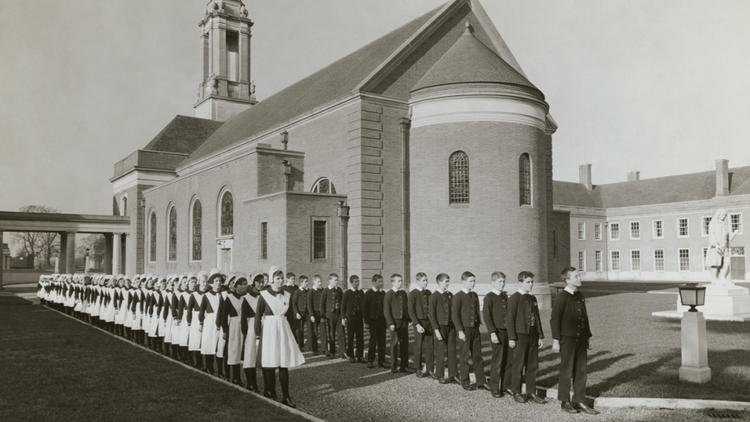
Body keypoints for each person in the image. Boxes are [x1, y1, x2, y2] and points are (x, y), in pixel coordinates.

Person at [551, 267, 599, 415]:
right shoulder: (561, 297)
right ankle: (565, 402)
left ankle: (579, 400)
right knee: (567, 370)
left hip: (581, 339)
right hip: (567, 340)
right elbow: (554, 320)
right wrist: (556, 340)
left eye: (579, 275)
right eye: (576, 276)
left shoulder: (580, 296)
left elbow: (584, 317)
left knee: (581, 371)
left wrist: (588, 336)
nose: (580, 278)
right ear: (567, 280)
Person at [255, 268, 305, 407]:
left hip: (283, 329)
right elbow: (258, 316)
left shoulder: (287, 295)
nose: (280, 280)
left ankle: (286, 396)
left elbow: (289, 316)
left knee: (283, 363)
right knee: (270, 362)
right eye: (277, 278)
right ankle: (269, 391)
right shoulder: (264, 295)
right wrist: (258, 334)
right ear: (271, 280)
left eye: (281, 278)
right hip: (270, 330)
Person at [507, 271, 546, 404]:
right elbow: (510, 320)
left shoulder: (532, 298)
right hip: (520, 336)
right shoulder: (514, 298)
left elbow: (537, 318)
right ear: (520, 282)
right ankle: (516, 391)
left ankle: (531, 392)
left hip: (532, 336)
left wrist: (540, 335)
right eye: (528, 282)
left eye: (532, 282)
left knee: (532, 365)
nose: (531, 284)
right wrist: (512, 337)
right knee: (518, 365)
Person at [451, 271, 487, 391]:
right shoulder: (457, 296)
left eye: (474, 281)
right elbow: (455, 316)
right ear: (463, 281)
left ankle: (481, 381)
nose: (473, 283)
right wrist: (460, 331)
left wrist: (478, 325)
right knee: (465, 356)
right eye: (470, 281)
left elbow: (476, 311)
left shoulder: (474, 295)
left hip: (475, 329)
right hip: (464, 330)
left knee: (478, 356)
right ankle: (465, 381)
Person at [483, 271, 512, 398]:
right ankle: (494, 387)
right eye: (499, 281)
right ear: (493, 282)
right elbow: (487, 316)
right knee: (498, 360)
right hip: (497, 332)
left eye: (503, 281)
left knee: (508, 360)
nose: (502, 284)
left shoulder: (505, 296)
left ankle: (506, 386)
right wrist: (492, 333)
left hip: (508, 332)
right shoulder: (489, 297)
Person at [429, 273, 458, 384]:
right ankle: (440, 374)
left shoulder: (450, 295)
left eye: (448, 281)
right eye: (446, 281)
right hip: (440, 328)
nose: (448, 283)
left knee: (452, 351)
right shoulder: (434, 296)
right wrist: (436, 330)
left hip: (451, 327)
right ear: (439, 282)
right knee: (440, 352)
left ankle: (453, 374)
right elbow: (431, 315)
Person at [408, 272, 433, 378]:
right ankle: (417, 368)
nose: (426, 282)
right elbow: (411, 310)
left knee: (430, 346)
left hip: (429, 322)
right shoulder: (413, 293)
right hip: (419, 322)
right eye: (423, 280)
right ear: (417, 281)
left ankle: (429, 368)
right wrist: (417, 324)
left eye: (427, 280)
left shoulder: (428, 292)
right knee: (418, 346)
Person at [384, 273, 410, 373]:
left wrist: (409, 320)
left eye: (401, 280)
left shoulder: (403, 293)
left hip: (403, 322)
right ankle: (393, 366)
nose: (400, 283)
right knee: (394, 344)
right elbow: (387, 310)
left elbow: (406, 308)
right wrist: (390, 323)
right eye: (398, 281)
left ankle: (404, 366)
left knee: (404, 344)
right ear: (392, 282)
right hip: (394, 323)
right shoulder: (389, 294)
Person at [242, 274, 264, 391]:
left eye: (263, 282)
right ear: (254, 283)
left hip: (264, 326)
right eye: (259, 282)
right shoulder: (247, 298)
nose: (261, 284)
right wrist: (245, 333)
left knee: (262, 356)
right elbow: (243, 318)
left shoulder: (265, 296)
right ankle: (251, 383)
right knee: (250, 355)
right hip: (251, 327)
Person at [223, 273, 246, 385]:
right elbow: (223, 316)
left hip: (244, 325)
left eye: (245, 284)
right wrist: (225, 330)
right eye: (241, 284)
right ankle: (234, 376)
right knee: (234, 350)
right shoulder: (229, 298)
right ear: (236, 286)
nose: (243, 286)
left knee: (244, 351)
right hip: (233, 326)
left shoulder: (246, 298)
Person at [200, 271, 223, 374]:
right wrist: (201, 323)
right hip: (209, 321)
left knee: (220, 346)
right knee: (209, 344)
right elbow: (201, 311)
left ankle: (220, 370)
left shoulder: (223, 295)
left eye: (220, 281)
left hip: (221, 321)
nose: (218, 283)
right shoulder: (206, 295)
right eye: (216, 281)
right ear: (212, 283)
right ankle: (209, 367)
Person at [363, 274, 386, 369]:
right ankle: (370, 360)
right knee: (373, 341)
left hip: (382, 321)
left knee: (382, 341)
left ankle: (381, 361)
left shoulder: (383, 293)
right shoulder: (368, 294)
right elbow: (365, 309)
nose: (382, 283)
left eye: (382, 281)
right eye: (380, 281)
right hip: (373, 321)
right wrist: (366, 322)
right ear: (374, 282)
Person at [342, 275, 365, 363]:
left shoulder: (361, 292)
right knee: (350, 337)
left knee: (360, 337)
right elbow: (343, 306)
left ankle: (360, 355)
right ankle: (350, 355)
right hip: (350, 318)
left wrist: (364, 317)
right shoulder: (347, 293)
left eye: (358, 281)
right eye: (355, 282)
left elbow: (363, 305)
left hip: (359, 318)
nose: (357, 283)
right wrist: (343, 318)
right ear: (351, 283)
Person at [321, 273, 344, 358]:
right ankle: (332, 351)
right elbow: (322, 304)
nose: (336, 282)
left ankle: (343, 352)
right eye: (335, 280)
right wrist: (323, 316)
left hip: (338, 315)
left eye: (337, 280)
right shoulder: (326, 291)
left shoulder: (339, 290)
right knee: (331, 334)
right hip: (329, 315)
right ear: (330, 280)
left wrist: (343, 315)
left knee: (341, 333)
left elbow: (342, 303)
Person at [306, 275, 324, 354]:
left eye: (320, 281)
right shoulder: (311, 292)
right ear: (314, 282)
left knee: (323, 331)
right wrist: (311, 315)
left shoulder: (322, 291)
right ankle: (314, 349)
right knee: (314, 332)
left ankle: (324, 348)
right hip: (314, 314)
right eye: (318, 281)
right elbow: (309, 305)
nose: (320, 283)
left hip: (321, 314)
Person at [291, 275, 309, 350]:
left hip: (306, 313)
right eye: (305, 282)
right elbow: (294, 303)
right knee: (300, 330)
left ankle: (307, 345)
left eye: (307, 281)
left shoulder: (307, 291)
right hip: (299, 314)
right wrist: (297, 313)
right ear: (301, 283)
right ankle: (300, 346)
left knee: (307, 329)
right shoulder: (297, 292)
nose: (307, 283)